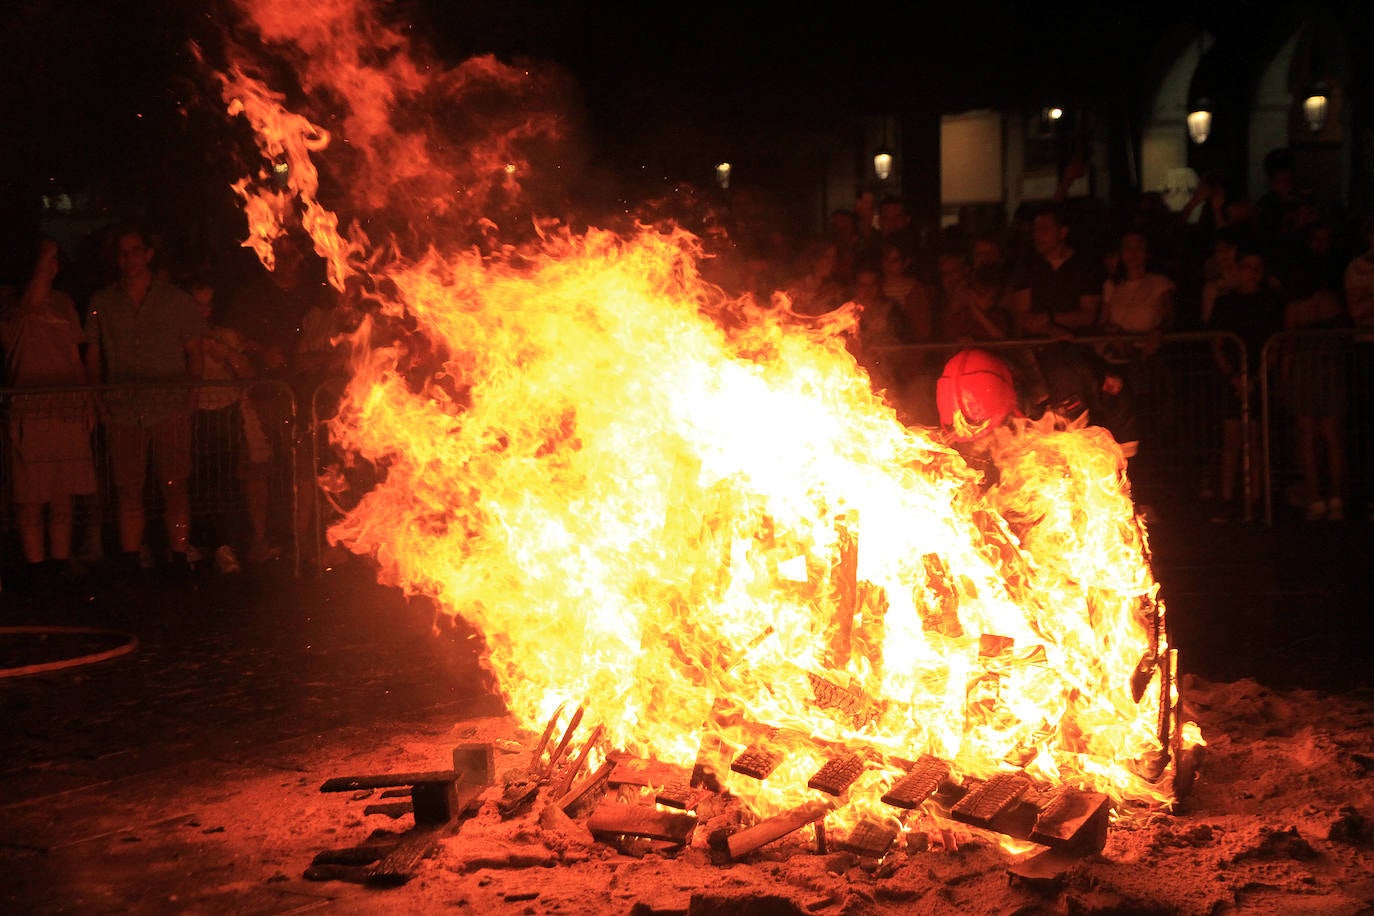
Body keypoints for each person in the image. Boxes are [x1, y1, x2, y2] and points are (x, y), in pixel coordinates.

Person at [83, 225, 207, 575]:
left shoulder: (176, 300)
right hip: (124, 409)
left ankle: (179, 558)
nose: (130, 258)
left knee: (175, 485)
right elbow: (93, 356)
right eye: (123, 252)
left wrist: (190, 398)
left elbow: (194, 353)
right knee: (128, 488)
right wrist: (99, 401)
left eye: (135, 250)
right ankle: (129, 559)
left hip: (168, 407)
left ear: (148, 254)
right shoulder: (102, 303)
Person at [0, 238, 98, 588]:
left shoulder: (64, 303)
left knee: (63, 494)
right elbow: (33, 299)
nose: (54, 267)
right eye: (48, 262)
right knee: (31, 497)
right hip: (31, 413)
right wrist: (46, 249)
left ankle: (59, 562)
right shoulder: (11, 306)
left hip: (67, 411)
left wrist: (86, 401)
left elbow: (75, 356)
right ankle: (36, 567)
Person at [186, 275, 278, 570]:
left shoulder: (224, 336)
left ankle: (225, 545)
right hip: (193, 415)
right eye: (197, 305)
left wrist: (228, 355)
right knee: (196, 481)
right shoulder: (179, 339)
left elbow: (248, 371)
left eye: (207, 305)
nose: (204, 311)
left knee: (225, 482)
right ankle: (197, 544)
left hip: (225, 415)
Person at [1205, 246, 1285, 522]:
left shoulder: (1270, 301)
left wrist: (1258, 377)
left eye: (1257, 268)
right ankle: (1227, 499)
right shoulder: (1226, 302)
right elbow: (1217, 343)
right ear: (1238, 269)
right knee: (1232, 440)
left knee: (1256, 438)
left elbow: (1276, 344)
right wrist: (1233, 376)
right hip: (1231, 376)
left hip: (1259, 376)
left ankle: (1257, 498)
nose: (1252, 274)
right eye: (1247, 267)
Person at [1009, 204, 1102, 338]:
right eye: (1036, 229)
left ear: (1063, 232)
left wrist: (1049, 319)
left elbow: (1088, 316)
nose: (1038, 235)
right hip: (1036, 349)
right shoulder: (1027, 266)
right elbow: (1021, 316)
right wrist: (1052, 330)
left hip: (1077, 347)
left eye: (1045, 229)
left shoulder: (1085, 266)